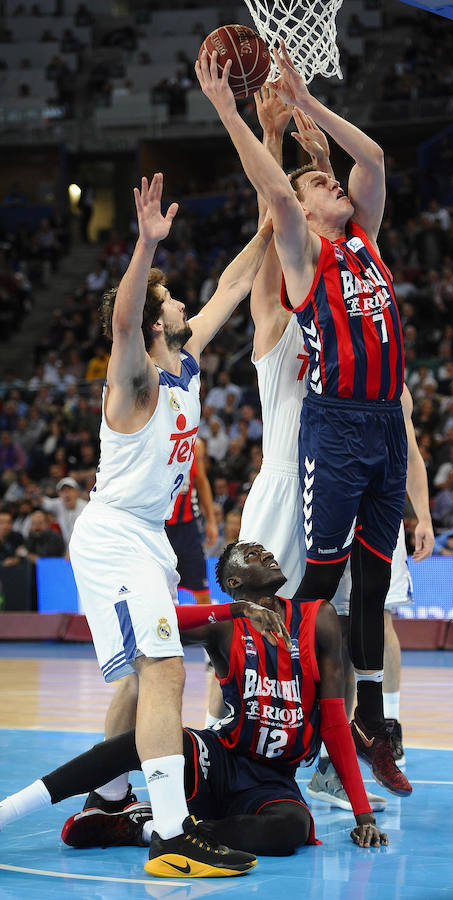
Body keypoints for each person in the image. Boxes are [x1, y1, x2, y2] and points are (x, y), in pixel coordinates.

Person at [198, 44, 410, 793]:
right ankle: (238, 736)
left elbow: (368, 165)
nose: (330, 186)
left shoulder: (362, 245)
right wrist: (249, 121)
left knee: (367, 604)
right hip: (302, 463)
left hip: (369, 436)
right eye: (321, 185)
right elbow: (276, 210)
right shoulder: (285, 288)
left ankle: (357, 737)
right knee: (270, 620)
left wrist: (307, 123)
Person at [67, 172, 274, 878]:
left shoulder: (183, 363)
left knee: (136, 681)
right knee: (164, 670)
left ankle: (105, 801)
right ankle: (170, 831)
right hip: (115, 532)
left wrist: (278, 215)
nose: (186, 300)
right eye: (171, 297)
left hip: (149, 536)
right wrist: (144, 246)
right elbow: (124, 322)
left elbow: (233, 288)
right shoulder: (135, 379)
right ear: (158, 318)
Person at [0, 543, 387, 856]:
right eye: (252, 555)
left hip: (272, 779)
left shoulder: (317, 617)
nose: (267, 554)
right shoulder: (224, 626)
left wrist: (362, 813)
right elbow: (154, 621)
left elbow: (335, 720)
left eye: (265, 551)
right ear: (235, 581)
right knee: (138, 743)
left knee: (291, 829)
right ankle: (10, 810)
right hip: (218, 758)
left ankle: (151, 829)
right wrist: (235, 610)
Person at [165, 438, 217, 604]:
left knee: (202, 592)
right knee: (161, 594)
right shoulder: (154, 438)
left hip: (189, 528)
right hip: (160, 528)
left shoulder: (195, 444)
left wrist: (211, 521)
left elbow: (201, 481)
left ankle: (209, 630)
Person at [40, 476, 87, 545]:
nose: (66, 494)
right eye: (63, 491)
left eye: (69, 490)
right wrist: (35, 494)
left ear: (77, 492)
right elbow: (44, 502)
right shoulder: (59, 504)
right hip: (66, 549)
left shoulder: (86, 507)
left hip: (84, 547)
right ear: (59, 494)